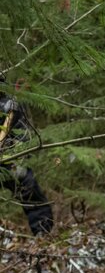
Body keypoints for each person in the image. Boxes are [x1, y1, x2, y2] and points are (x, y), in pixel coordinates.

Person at [0, 79, 54, 236]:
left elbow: (22, 135)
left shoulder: (12, 104)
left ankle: (43, 233)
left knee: (27, 184)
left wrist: (13, 151)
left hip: (10, 159)